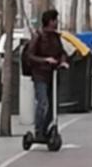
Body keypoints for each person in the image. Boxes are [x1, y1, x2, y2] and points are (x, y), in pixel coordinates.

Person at [27, 10, 69, 140]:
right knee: (43, 103)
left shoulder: (56, 37)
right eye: (55, 20)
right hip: (40, 75)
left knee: (53, 106)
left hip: (53, 75)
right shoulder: (38, 36)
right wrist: (45, 60)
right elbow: (30, 55)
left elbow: (62, 52)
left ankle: (45, 129)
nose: (57, 22)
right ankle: (38, 130)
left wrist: (62, 62)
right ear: (50, 21)